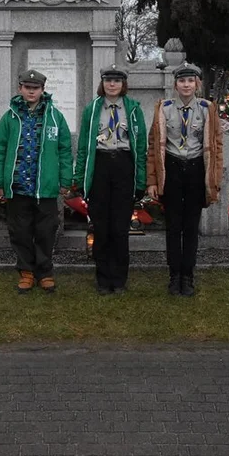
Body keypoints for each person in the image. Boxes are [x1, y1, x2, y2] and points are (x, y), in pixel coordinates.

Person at [0, 69, 73, 294]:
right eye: (27, 87)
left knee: (46, 231)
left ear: (42, 90)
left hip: (45, 187)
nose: (31, 91)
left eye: (35, 88)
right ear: (20, 89)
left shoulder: (55, 117)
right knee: (20, 232)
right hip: (18, 186)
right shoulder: (9, 118)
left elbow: (65, 150)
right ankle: (26, 273)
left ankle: (45, 272)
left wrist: (66, 179)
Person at [146, 63, 223, 297]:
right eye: (182, 81)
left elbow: (217, 146)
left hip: (196, 169)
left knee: (191, 227)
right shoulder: (164, 109)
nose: (186, 85)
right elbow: (152, 147)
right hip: (172, 168)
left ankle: (188, 275)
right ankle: (174, 274)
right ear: (175, 84)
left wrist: (214, 179)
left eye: (191, 81)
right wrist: (152, 180)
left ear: (197, 84)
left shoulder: (207, 109)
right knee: (173, 226)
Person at [73, 65, 147, 295]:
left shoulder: (133, 109)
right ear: (102, 83)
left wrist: (141, 180)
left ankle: (119, 279)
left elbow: (141, 146)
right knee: (102, 226)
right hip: (101, 165)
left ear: (123, 84)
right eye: (108, 80)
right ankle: (103, 279)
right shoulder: (92, 109)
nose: (112, 84)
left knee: (120, 227)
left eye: (117, 80)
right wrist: (79, 178)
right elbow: (84, 146)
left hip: (123, 165)